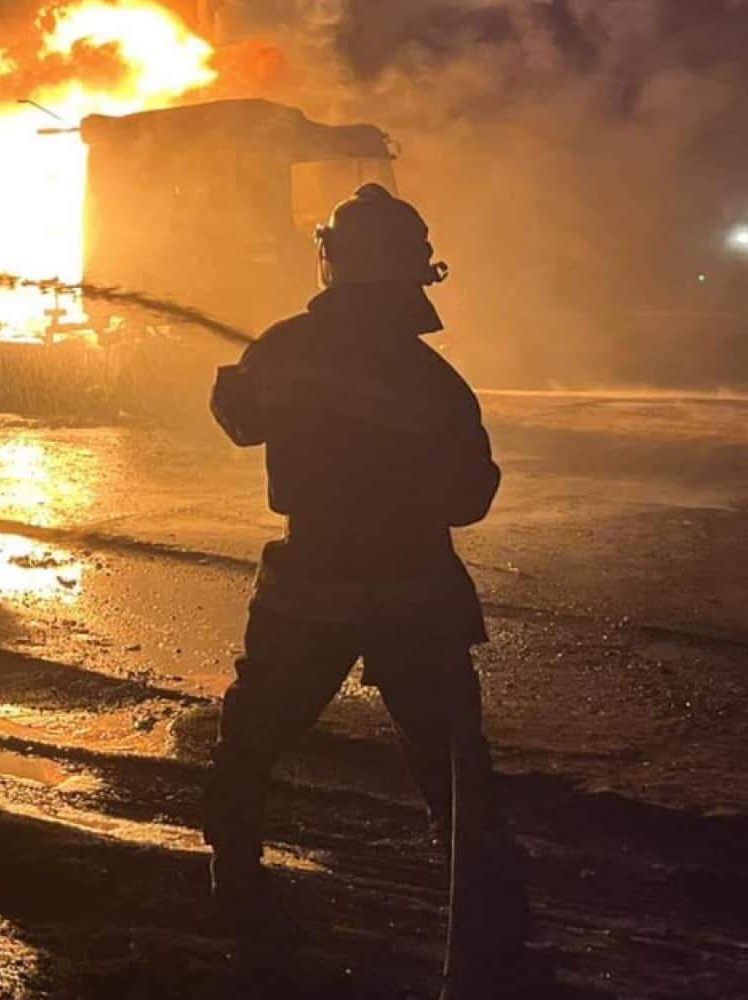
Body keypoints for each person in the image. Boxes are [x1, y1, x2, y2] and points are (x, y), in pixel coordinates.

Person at [204, 182, 522, 928]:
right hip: (418, 591)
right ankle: (481, 892)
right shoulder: (436, 385)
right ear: (416, 274)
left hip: (310, 583)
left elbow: (240, 421)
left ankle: (234, 872)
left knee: (256, 735)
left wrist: (235, 384)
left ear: (334, 262)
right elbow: (468, 498)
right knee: (448, 754)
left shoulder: (286, 348)